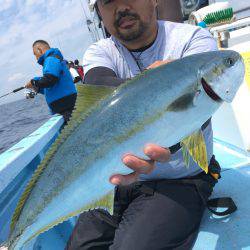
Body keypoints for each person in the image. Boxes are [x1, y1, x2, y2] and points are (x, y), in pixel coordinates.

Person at [65, 0, 227, 249]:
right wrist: (162, 83)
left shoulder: (192, 39)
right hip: (117, 179)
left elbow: (198, 109)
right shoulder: (100, 51)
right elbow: (99, 84)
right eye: (108, 2)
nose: (121, 8)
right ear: (99, 12)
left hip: (180, 180)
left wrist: (166, 140)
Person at [25, 40, 77, 122]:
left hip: (66, 107)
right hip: (64, 108)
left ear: (39, 50)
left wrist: (33, 82)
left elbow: (50, 79)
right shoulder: (52, 60)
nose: (36, 58)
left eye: (35, 54)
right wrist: (35, 87)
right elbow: (50, 87)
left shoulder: (50, 59)